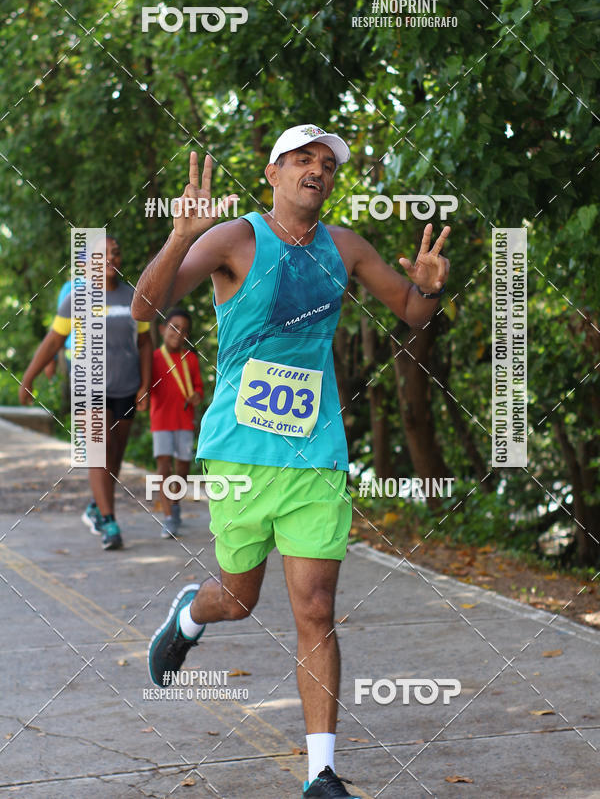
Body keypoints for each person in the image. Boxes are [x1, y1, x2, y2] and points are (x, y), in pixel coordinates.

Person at [132, 125, 450, 798]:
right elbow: (145, 306)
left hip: (315, 454)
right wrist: (181, 235)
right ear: (273, 174)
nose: (318, 169)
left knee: (316, 607)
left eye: (327, 163)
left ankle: (321, 774)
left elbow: (412, 314)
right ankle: (191, 615)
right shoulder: (236, 240)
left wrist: (426, 289)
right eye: (303, 159)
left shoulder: (346, 248)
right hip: (241, 456)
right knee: (239, 600)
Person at [19, 235, 152, 550]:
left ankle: (96, 507)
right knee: (98, 451)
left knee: (115, 455)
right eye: (100, 254)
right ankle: (110, 522)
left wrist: (146, 384)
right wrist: (29, 376)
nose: (110, 258)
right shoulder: (75, 299)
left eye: (115, 252)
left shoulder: (134, 297)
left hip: (126, 387)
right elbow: (53, 340)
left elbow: (145, 343)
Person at [150, 307, 204, 538]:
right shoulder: (153, 358)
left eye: (183, 330)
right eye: (174, 327)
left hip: (184, 419)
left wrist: (197, 396)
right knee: (163, 467)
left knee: (181, 468)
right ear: (163, 329)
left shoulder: (190, 359)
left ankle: (175, 503)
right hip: (161, 420)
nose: (178, 333)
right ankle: (170, 517)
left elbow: (199, 388)